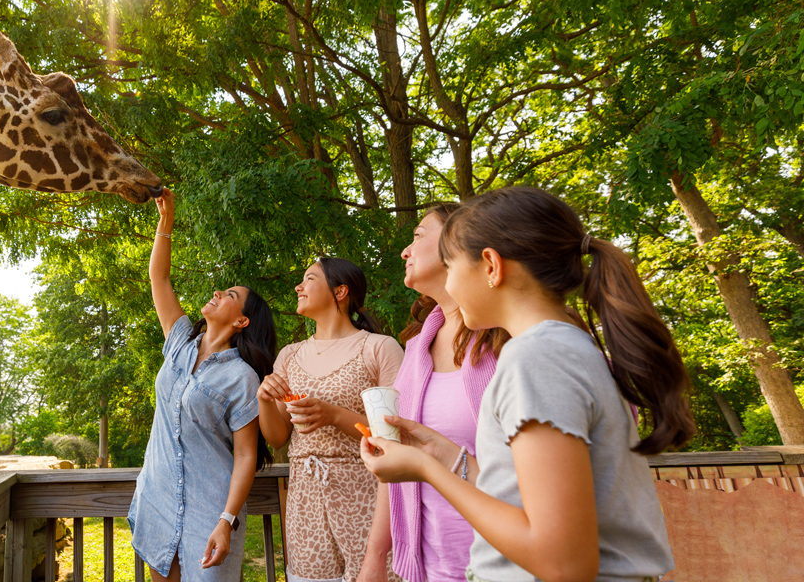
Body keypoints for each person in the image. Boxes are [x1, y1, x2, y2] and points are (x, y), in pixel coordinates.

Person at [360, 186, 694, 582]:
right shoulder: (565, 348)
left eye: (451, 268)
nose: (447, 288)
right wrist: (443, 455)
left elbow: (564, 565)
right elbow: (528, 497)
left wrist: (425, 470)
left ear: (491, 266)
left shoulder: (535, 360)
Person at [128, 188, 279, 582]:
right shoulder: (179, 342)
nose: (217, 292)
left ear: (242, 321)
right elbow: (158, 278)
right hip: (158, 498)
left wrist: (226, 521)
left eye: (230, 295)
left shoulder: (242, 377)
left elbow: (247, 456)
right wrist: (166, 223)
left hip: (209, 511)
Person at [357, 204, 509, 582]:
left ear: (460, 243)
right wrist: (376, 558)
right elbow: (396, 457)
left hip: (505, 565)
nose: (405, 251)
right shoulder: (415, 350)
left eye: (418, 235)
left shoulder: (509, 342)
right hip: (428, 571)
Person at [257, 257, 404, 582]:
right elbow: (278, 437)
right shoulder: (290, 355)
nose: (299, 286)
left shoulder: (380, 348)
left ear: (340, 291)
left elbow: (395, 434)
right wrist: (264, 399)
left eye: (309, 278)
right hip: (304, 503)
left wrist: (334, 415)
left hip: (366, 497)